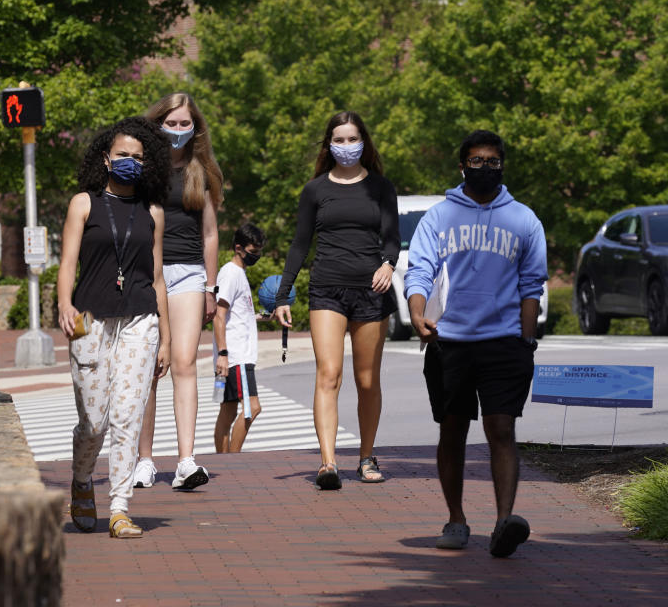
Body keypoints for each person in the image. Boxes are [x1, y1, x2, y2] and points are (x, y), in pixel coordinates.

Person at [404, 129, 547, 557]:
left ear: (503, 164)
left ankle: (504, 523)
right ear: (462, 165)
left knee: (502, 428)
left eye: (493, 161)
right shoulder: (439, 217)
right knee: (452, 431)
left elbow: (531, 285)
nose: (485, 168)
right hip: (451, 342)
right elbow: (420, 270)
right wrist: (416, 314)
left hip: (504, 341)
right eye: (477, 161)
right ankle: (456, 519)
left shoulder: (523, 219)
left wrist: (527, 339)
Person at [57, 117, 172, 538]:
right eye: (123, 155)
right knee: (94, 420)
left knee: (127, 416)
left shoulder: (153, 212)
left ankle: (120, 507)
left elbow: (157, 277)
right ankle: (82, 478)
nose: (129, 162)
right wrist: (64, 304)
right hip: (89, 319)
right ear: (106, 158)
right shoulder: (83, 203)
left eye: (138, 157)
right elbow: (68, 263)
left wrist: (166, 336)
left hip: (141, 318)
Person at [273, 111, 400, 489]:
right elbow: (299, 244)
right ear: (329, 144)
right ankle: (328, 463)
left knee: (366, 380)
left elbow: (392, 236)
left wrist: (388, 264)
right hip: (326, 289)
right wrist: (283, 295)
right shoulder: (315, 190)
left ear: (364, 142)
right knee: (329, 374)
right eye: (339, 139)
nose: (346, 146)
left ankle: (365, 456)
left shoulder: (380, 187)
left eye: (352, 139)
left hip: (371, 291)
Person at [133, 92, 224, 491]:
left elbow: (210, 234)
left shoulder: (200, 172)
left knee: (184, 362)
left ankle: (186, 460)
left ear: (195, 128)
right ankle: (144, 460)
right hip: (145, 273)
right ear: (157, 125)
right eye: (170, 123)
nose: (177, 130)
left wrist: (210, 286)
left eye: (185, 123)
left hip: (187, 274)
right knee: (150, 367)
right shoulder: (140, 169)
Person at [213, 223, 267, 453]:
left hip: (235, 356)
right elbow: (219, 316)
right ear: (238, 248)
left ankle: (221, 460)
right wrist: (223, 354)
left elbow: (236, 316)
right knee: (252, 408)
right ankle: (234, 460)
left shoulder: (239, 274)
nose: (256, 256)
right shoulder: (230, 273)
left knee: (228, 410)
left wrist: (263, 317)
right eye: (253, 252)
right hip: (236, 357)